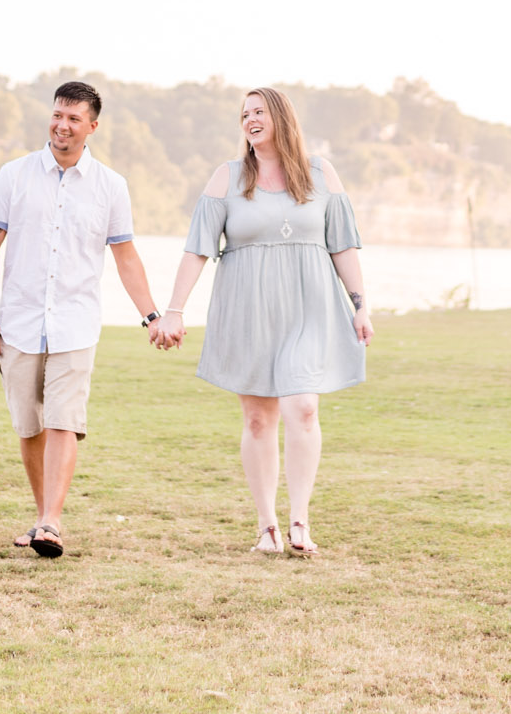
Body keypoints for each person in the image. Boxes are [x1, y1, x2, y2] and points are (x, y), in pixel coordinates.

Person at [151, 86, 373, 556]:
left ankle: (300, 521)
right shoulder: (227, 178)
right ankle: (267, 526)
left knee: (303, 408)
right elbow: (197, 250)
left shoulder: (319, 173)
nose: (250, 120)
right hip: (247, 309)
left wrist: (360, 304)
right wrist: (174, 309)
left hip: (309, 306)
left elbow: (343, 245)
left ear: (280, 117)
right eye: (244, 114)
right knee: (257, 418)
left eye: (259, 112)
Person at [0, 80, 161, 559]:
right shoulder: (13, 176)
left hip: (76, 323)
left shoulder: (110, 187)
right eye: (58, 114)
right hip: (17, 322)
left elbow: (126, 258)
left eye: (74, 118)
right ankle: (41, 519)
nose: (62, 124)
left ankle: (51, 523)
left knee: (63, 420)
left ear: (92, 127)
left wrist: (152, 316)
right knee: (29, 425)